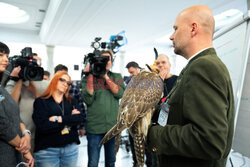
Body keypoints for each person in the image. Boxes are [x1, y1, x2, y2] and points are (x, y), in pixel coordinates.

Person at [147, 5, 235, 167]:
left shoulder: (204, 67)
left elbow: (210, 140)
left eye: (176, 29)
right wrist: (147, 114)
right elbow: (178, 111)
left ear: (193, 29)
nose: (171, 37)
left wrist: (152, 133)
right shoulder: (197, 65)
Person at [82, 50, 125, 167]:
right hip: (95, 128)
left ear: (112, 62)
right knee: (93, 162)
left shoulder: (117, 76)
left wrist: (105, 76)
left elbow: (120, 93)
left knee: (111, 161)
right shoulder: (87, 78)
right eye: (102, 59)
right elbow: (88, 100)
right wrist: (90, 74)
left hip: (112, 128)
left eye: (108, 59)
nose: (105, 62)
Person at [32, 71, 85, 167]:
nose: (65, 84)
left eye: (68, 83)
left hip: (70, 149)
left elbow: (80, 118)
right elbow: (43, 126)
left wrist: (58, 119)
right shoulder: (41, 102)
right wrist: (70, 120)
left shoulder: (71, 101)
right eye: (62, 80)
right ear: (54, 80)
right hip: (47, 151)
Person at [5, 53, 49, 153]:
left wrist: (35, 92)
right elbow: (10, 104)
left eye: (37, 63)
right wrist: (20, 78)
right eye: (30, 63)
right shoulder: (12, 83)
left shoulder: (46, 84)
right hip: (20, 135)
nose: (33, 66)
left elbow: (49, 107)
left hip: (40, 135)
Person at [0, 42, 34, 167]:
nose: (5, 60)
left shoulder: (1, 88)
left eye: (6, 56)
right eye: (0, 55)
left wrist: (26, 133)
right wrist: (24, 148)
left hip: (13, 155)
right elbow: (2, 124)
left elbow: (14, 114)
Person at [125, 61, 153, 167]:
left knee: (147, 150)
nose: (130, 75)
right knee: (134, 149)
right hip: (132, 121)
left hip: (145, 121)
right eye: (129, 73)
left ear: (138, 69)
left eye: (132, 72)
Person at [54, 64, 86, 137]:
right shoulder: (49, 91)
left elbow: (81, 108)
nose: (63, 81)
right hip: (53, 132)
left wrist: (82, 127)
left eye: (64, 75)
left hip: (71, 130)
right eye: (60, 77)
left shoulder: (74, 89)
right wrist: (71, 117)